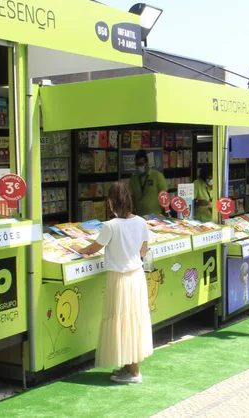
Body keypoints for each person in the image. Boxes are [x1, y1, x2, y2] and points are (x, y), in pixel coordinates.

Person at [78, 181, 153, 384]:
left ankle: (135, 372)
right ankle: (129, 367)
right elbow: (143, 251)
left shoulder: (110, 226)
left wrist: (79, 250)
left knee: (121, 321)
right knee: (133, 321)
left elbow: (93, 249)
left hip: (119, 279)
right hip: (136, 276)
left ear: (112, 202)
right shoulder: (141, 222)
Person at [130, 149, 168, 217]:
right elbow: (132, 197)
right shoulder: (133, 178)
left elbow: (164, 195)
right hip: (139, 216)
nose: (139, 167)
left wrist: (166, 212)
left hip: (156, 215)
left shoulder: (157, 175)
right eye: (137, 164)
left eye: (141, 164)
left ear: (147, 163)